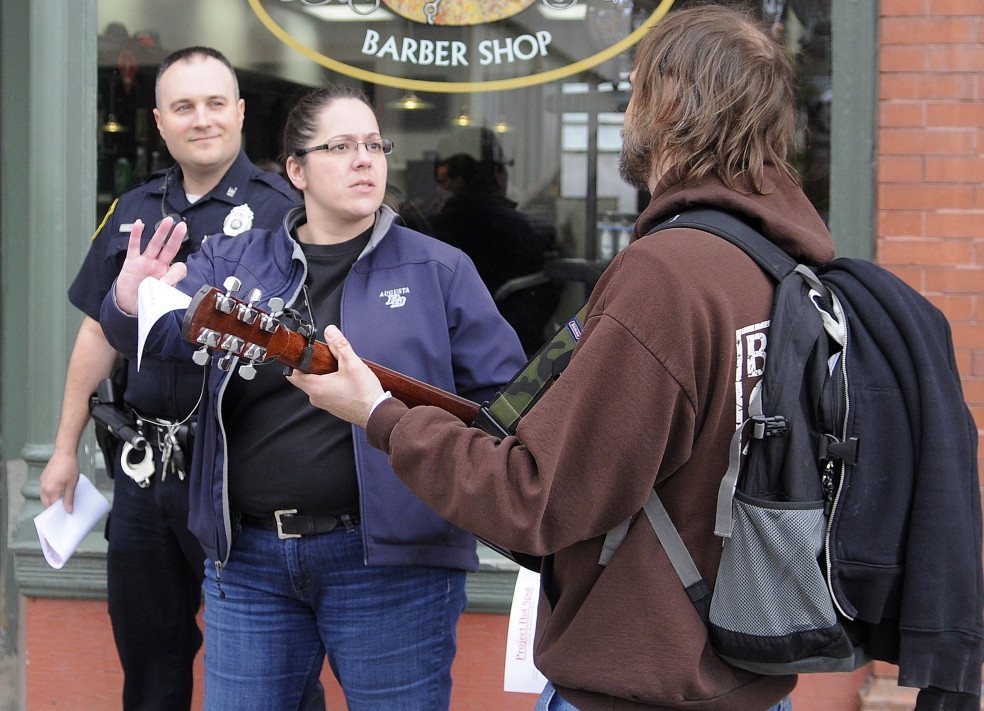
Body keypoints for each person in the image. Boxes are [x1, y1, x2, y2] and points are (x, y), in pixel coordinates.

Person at [284, 6, 831, 711]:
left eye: (639, 81)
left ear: (669, 104)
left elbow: (531, 496)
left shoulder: (668, 276)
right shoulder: (782, 262)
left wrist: (381, 414)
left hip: (641, 681)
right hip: (742, 678)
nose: (627, 93)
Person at [99, 85, 527, 710]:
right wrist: (128, 303)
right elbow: (159, 336)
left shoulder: (440, 269)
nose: (365, 159)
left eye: (375, 145)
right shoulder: (233, 258)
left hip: (394, 567)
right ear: (295, 170)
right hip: (247, 562)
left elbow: (504, 410)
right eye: (342, 146)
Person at [39, 46, 299, 711]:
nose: (202, 119)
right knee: (151, 672)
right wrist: (65, 447)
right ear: (160, 121)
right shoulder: (134, 207)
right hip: (144, 472)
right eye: (184, 106)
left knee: (273, 678)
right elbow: (97, 330)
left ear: (240, 113)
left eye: (216, 103)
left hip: (241, 478)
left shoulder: (284, 213)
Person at [424, 127, 561, 355]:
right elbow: (536, 309)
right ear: (498, 174)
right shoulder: (522, 230)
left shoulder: (429, 228)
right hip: (511, 356)